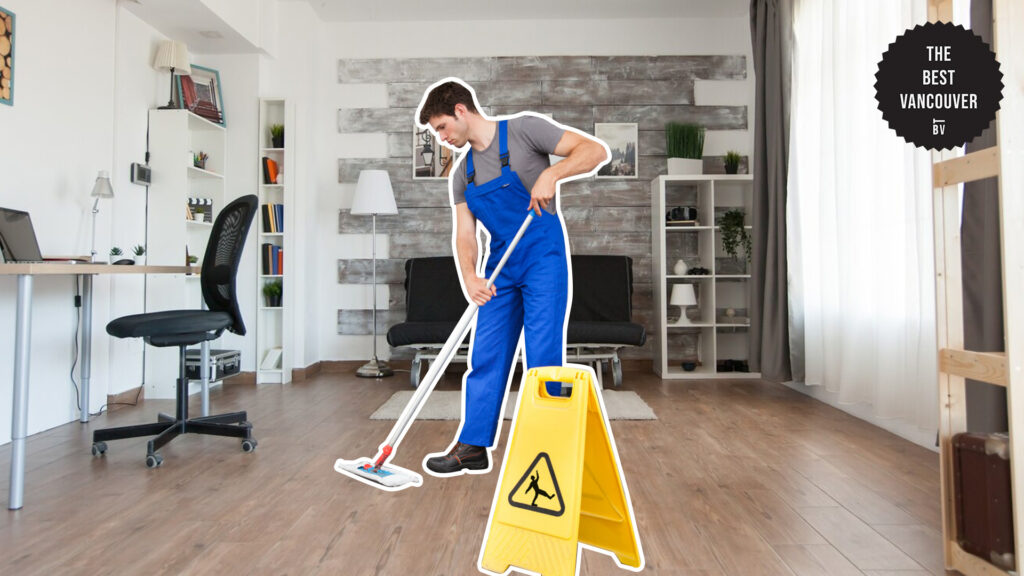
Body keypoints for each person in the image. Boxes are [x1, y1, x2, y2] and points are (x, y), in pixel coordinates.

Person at [416, 80, 609, 475]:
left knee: (542, 357)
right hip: (500, 265)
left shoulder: (524, 129)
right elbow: (465, 235)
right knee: (486, 354)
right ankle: (472, 446)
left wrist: (554, 173)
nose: (442, 138)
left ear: (460, 110)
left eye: (441, 128)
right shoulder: (461, 175)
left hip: (543, 255)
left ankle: (547, 449)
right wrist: (470, 276)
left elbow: (595, 151)